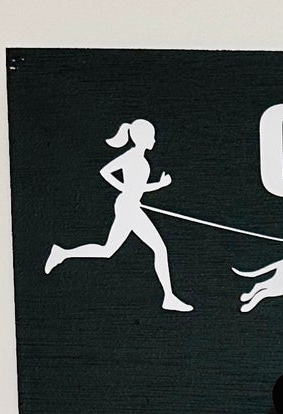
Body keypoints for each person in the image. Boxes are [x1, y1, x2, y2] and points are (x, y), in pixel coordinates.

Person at [43, 119, 192, 312]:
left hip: (130, 206)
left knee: (108, 250)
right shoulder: (132, 156)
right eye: (152, 136)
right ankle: (169, 297)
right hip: (128, 207)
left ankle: (62, 253)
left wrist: (156, 185)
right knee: (159, 249)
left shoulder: (141, 160)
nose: (154, 140)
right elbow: (105, 171)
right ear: (143, 138)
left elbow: (137, 187)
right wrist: (125, 188)